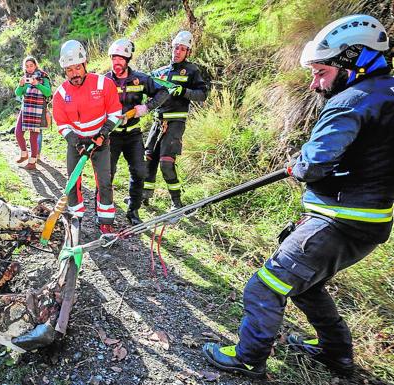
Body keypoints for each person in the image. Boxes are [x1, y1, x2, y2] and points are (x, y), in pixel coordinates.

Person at [203, 14, 393, 379]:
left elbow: (313, 165)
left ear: (353, 62)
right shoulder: (386, 93)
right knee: (308, 285)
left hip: (338, 221)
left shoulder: (350, 102)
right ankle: (335, 354)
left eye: (320, 72)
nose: (314, 84)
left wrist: (299, 163)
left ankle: (248, 357)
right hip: (372, 221)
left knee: (265, 285)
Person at [52, 40, 123, 234]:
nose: (74, 73)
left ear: (85, 64)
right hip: (77, 142)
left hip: (100, 139)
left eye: (77, 67)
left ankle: (106, 221)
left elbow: (115, 113)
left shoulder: (103, 84)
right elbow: (62, 124)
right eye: (69, 70)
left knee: (104, 180)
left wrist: (103, 133)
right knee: (72, 181)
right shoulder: (60, 94)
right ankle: (76, 217)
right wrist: (76, 143)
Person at [105, 38, 170, 225]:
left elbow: (163, 92)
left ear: (128, 59)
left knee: (139, 172)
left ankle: (133, 211)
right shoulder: (105, 81)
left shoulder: (141, 79)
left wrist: (146, 107)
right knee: (106, 174)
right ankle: (103, 212)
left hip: (133, 135)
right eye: (113, 58)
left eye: (121, 58)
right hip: (112, 136)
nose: (117, 62)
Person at [143, 30, 208, 209]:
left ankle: (176, 202)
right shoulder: (161, 72)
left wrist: (184, 91)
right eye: (175, 48)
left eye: (182, 49)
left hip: (176, 123)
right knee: (148, 158)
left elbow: (203, 94)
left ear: (188, 52)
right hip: (158, 122)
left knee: (166, 162)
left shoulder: (192, 71)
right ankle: (145, 196)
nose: (177, 51)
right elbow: (148, 88)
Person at [14, 56, 52, 170]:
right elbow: (18, 93)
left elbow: (48, 92)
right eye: (27, 66)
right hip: (25, 109)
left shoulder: (43, 77)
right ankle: (24, 153)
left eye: (31, 65)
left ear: (35, 65)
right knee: (18, 132)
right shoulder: (25, 78)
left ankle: (32, 161)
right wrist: (20, 85)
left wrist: (37, 84)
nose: (29, 68)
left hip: (37, 110)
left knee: (33, 137)